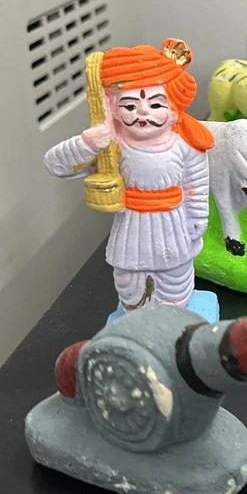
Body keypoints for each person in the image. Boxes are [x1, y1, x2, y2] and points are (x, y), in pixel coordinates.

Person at [43, 39, 214, 312]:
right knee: (130, 284)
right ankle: (136, 320)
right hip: (131, 228)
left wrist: (197, 218)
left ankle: (173, 318)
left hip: (173, 228)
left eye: (155, 105)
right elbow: (56, 165)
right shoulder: (113, 146)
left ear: (173, 110)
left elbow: (197, 185)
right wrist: (86, 144)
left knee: (176, 283)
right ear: (114, 109)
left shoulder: (186, 145)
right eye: (130, 106)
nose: (142, 112)